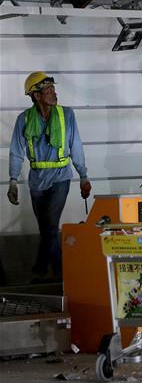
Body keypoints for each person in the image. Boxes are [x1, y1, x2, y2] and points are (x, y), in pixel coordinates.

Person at [7, 73, 91, 282]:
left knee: (51, 225)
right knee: (46, 228)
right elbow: (16, 151)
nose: (55, 93)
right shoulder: (24, 119)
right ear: (36, 95)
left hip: (61, 178)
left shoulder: (67, 115)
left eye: (53, 89)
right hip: (37, 181)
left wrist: (83, 176)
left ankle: (39, 270)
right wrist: (13, 180)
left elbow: (76, 145)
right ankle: (60, 272)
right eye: (49, 90)